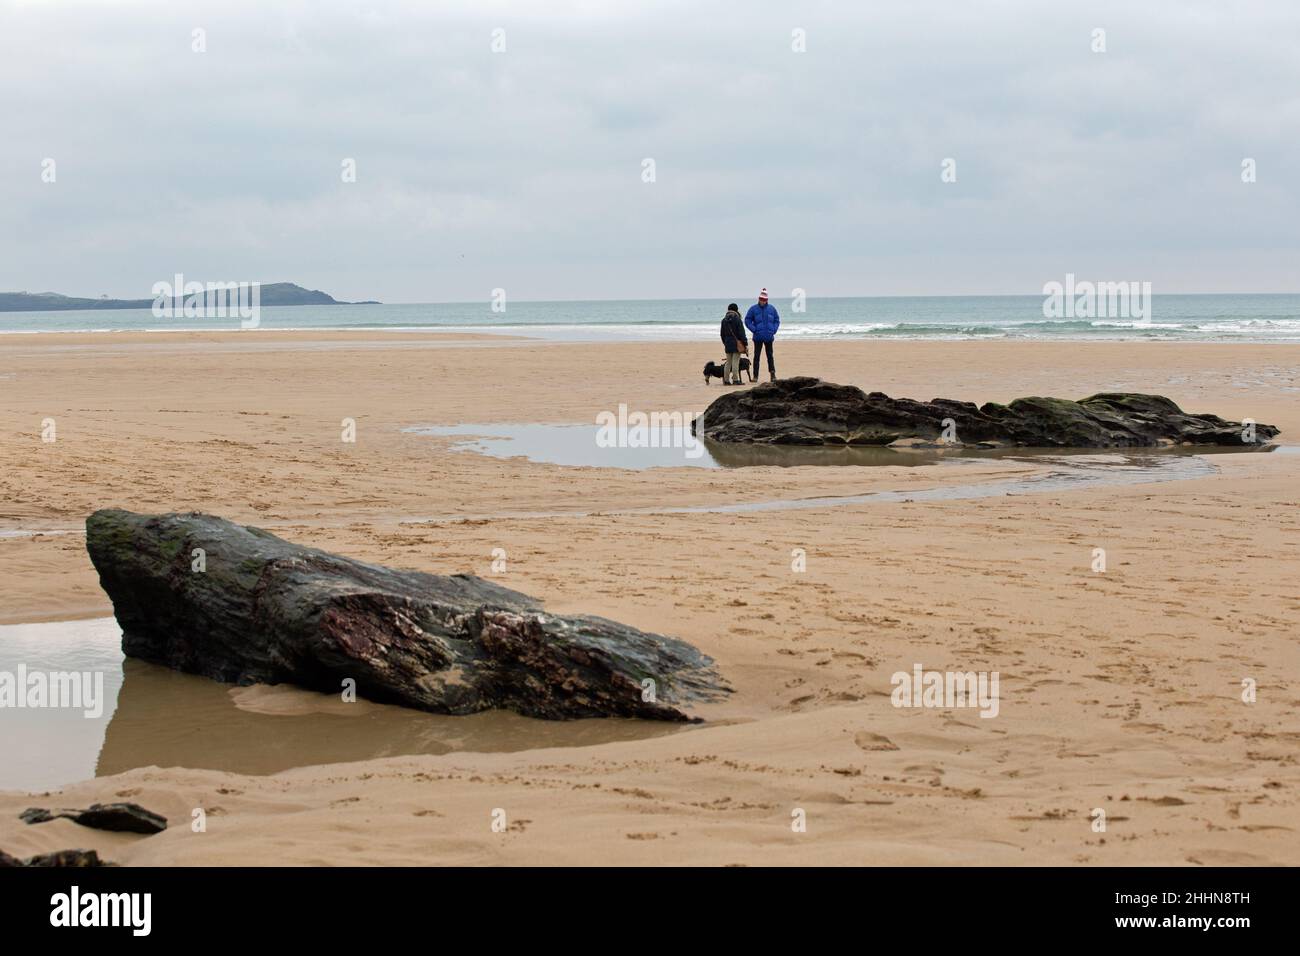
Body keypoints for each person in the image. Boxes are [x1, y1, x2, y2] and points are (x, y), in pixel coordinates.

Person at [744, 288, 780, 382]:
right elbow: (747, 320)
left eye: (764, 300)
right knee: (756, 357)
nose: (762, 301)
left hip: (769, 336)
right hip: (758, 337)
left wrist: (774, 330)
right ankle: (755, 376)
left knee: (770, 356)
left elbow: (777, 320)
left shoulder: (772, 309)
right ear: (758, 299)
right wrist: (754, 329)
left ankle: (773, 375)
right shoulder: (753, 309)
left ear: (767, 300)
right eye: (761, 299)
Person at [720, 302, 748, 384]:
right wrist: (745, 343)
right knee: (735, 361)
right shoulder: (737, 319)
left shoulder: (724, 320)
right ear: (736, 310)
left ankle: (726, 380)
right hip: (737, 344)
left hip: (728, 343)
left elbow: (722, 334)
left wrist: (725, 343)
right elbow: (741, 333)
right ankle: (735, 380)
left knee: (728, 362)